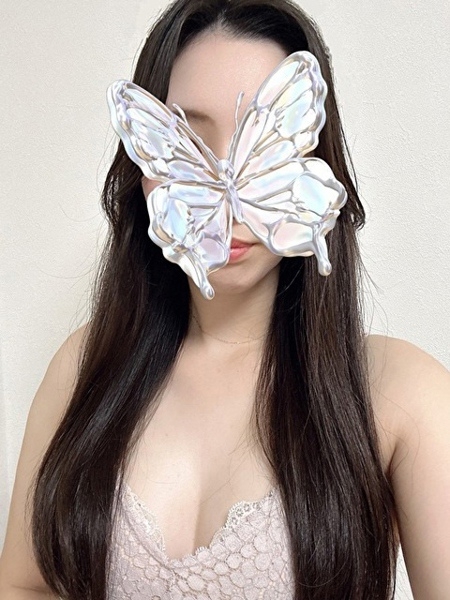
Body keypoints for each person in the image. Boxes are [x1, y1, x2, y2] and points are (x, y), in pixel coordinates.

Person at [1, 0, 449, 599]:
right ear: (143, 163)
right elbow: (22, 585)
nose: (226, 190)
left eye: (261, 150)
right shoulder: (84, 367)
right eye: (189, 141)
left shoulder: (402, 394)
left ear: (314, 156)